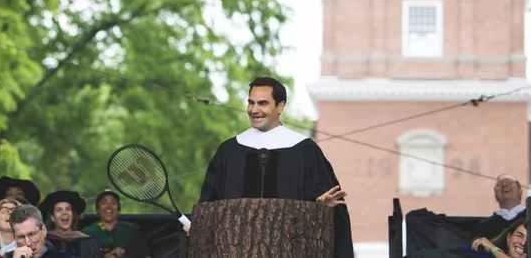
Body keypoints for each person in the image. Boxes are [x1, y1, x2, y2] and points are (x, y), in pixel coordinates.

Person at [190, 76, 354, 258]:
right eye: (250, 103)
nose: (254, 110)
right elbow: (208, 206)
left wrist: (320, 210)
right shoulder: (229, 152)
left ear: (280, 106)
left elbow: (333, 214)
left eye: (262, 103)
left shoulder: (305, 151)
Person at [82, 190, 151, 258]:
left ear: (118, 209)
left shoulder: (133, 230)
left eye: (113, 203)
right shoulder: (86, 234)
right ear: (97, 210)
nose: (108, 206)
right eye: (103, 203)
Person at [471, 174, 531, 240]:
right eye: (499, 184)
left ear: (520, 191)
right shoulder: (483, 226)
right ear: (495, 195)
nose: (504, 185)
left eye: (509, 182)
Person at [38, 190, 101, 258]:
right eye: (59, 210)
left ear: (73, 215)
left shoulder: (88, 242)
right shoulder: (45, 242)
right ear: (52, 217)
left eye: (68, 209)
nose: (65, 213)